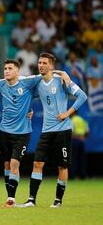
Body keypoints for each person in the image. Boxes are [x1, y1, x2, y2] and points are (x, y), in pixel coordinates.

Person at [20, 53, 87, 208]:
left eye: (44, 63)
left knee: (62, 166)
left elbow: (82, 96)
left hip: (63, 130)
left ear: (51, 65)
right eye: (39, 62)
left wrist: (67, 113)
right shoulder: (38, 84)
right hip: (46, 131)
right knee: (37, 163)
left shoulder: (62, 80)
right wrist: (29, 109)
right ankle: (31, 200)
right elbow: (27, 95)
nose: (41, 65)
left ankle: (58, 201)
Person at [0, 59, 42, 207]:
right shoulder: (0, 84)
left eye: (10, 68)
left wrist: (62, 73)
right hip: (4, 131)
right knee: (6, 165)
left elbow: (45, 74)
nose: (6, 71)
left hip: (22, 133)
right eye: (5, 68)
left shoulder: (26, 82)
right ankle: (9, 197)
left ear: (17, 71)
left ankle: (11, 199)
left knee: (14, 163)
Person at [70, 112, 89, 179]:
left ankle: (72, 176)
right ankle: (82, 176)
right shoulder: (82, 120)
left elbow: (71, 132)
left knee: (73, 159)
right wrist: (83, 137)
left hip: (75, 141)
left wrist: (75, 137)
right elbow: (87, 131)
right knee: (82, 159)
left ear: (73, 113)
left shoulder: (72, 120)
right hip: (82, 141)